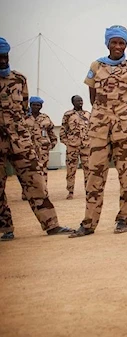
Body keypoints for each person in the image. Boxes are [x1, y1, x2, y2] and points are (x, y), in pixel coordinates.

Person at [70, 25, 127, 238]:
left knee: (126, 175)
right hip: (99, 130)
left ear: (126, 45)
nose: (118, 47)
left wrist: (125, 116)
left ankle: (123, 219)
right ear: (107, 44)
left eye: (121, 43)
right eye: (114, 42)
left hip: (125, 130)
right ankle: (89, 223)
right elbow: (93, 97)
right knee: (94, 175)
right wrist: (105, 115)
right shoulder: (96, 66)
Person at [0, 37, 72, 241]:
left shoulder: (19, 79)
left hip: (20, 140)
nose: (3, 60)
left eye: (5, 56)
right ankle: (5, 228)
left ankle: (52, 225)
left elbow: (23, 108)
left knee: (36, 181)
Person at [60, 95, 90, 200]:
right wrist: (67, 142)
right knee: (71, 169)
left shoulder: (88, 114)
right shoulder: (68, 115)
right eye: (77, 101)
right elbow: (63, 129)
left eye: (81, 100)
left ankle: (88, 190)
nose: (80, 102)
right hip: (72, 146)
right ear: (73, 102)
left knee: (88, 169)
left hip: (86, 146)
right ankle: (70, 191)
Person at [23, 96, 57, 189]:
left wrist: (52, 144)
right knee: (28, 171)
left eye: (38, 105)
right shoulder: (24, 118)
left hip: (43, 150)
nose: (36, 107)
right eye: (34, 105)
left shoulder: (45, 118)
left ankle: (43, 190)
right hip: (28, 149)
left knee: (43, 170)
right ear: (30, 105)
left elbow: (51, 132)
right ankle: (27, 191)